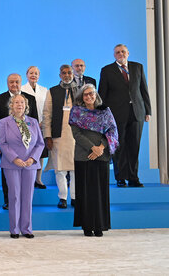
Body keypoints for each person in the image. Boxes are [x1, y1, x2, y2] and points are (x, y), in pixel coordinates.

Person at [98, 44, 151, 187]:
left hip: (137, 113)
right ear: (114, 55)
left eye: (123, 51)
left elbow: (143, 90)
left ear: (128, 53)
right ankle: (120, 178)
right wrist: (103, 116)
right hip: (116, 115)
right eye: (117, 52)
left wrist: (148, 111)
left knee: (134, 146)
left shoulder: (138, 67)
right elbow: (102, 94)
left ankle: (133, 178)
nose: (120, 54)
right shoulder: (106, 70)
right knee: (118, 147)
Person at [70, 84, 118, 237]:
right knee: (85, 192)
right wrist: (92, 148)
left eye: (91, 93)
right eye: (86, 94)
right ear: (81, 97)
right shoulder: (76, 112)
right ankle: (87, 226)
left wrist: (101, 147)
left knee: (100, 192)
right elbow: (76, 135)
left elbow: (112, 131)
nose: (89, 96)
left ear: (96, 95)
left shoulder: (105, 111)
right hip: (83, 156)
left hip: (102, 156)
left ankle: (100, 226)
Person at [0, 94, 45, 239]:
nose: (19, 105)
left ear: (26, 105)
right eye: (16, 102)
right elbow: (2, 143)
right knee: (15, 196)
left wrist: (32, 158)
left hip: (30, 164)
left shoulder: (33, 122)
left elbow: (40, 144)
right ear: (11, 105)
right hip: (11, 164)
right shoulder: (4, 122)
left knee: (28, 197)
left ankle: (27, 229)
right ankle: (14, 229)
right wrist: (15, 158)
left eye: (22, 102)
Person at [0, 74, 38, 210]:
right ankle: (8, 200)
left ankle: (25, 201)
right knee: (7, 174)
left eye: (17, 82)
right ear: (7, 83)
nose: (14, 84)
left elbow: (35, 121)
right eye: (11, 82)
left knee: (27, 174)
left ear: (21, 83)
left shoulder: (30, 99)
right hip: (7, 145)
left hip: (27, 146)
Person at [41, 65, 78, 208]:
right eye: (64, 73)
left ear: (73, 74)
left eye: (69, 72)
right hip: (58, 136)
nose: (67, 75)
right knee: (60, 169)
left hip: (76, 137)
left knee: (75, 169)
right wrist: (47, 136)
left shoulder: (80, 91)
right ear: (60, 75)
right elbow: (46, 115)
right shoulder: (52, 91)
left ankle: (74, 197)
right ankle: (62, 197)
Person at [21, 66, 49, 189]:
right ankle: (28, 179)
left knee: (40, 152)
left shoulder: (44, 90)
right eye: (31, 73)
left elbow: (47, 108)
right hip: (25, 125)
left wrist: (42, 122)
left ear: (39, 76)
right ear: (27, 75)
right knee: (27, 152)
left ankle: (38, 179)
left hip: (41, 124)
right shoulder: (21, 89)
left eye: (36, 73)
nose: (33, 75)